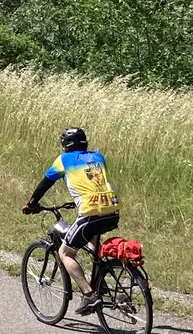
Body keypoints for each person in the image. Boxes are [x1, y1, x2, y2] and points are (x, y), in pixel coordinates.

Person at [23, 127, 120, 315]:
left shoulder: (64, 160)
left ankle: (90, 294)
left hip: (91, 212)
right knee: (92, 239)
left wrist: (32, 203)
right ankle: (100, 281)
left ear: (66, 145)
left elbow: (45, 183)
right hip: (112, 209)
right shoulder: (97, 156)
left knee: (65, 252)